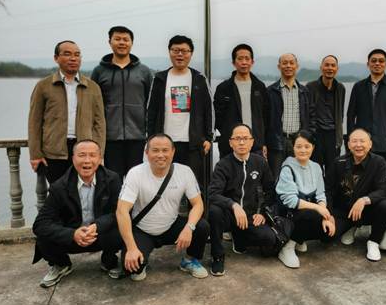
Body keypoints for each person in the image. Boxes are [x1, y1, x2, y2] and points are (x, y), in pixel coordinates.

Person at [113, 134, 210, 281]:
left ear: (173, 152)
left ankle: (190, 260)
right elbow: (122, 211)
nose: (160, 155)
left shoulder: (184, 172)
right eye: (155, 150)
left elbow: (198, 204)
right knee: (132, 269)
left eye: (165, 150)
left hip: (170, 225)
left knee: (201, 226)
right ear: (147, 152)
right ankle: (142, 259)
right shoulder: (136, 173)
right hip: (143, 229)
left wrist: (189, 228)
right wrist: (132, 248)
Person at [32, 140, 121, 288]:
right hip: (72, 237)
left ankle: (108, 260)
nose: (87, 160)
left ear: (100, 159)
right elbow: (40, 224)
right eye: (82, 155)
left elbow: (118, 211)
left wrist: (97, 226)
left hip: (100, 234)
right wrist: (72, 234)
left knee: (126, 227)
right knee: (43, 237)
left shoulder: (112, 179)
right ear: (73, 159)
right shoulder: (59, 186)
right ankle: (62, 264)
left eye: (92, 155)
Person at [28, 40, 105, 183]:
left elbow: (99, 123)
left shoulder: (93, 87)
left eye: (77, 55)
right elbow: (34, 122)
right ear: (56, 58)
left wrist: (99, 153)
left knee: (83, 191)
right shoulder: (43, 86)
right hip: (54, 152)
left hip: (84, 151)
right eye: (67, 54)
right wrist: (35, 154)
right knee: (57, 191)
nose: (73, 58)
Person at [208, 124, 277, 276]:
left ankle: (240, 237)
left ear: (252, 142)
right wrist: (233, 205)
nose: (241, 142)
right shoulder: (223, 165)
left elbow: (271, 190)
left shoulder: (260, 162)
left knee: (269, 239)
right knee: (214, 211)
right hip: (229, 214)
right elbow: (212, 194)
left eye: (245, 138)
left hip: (250, 215)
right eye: (237, 138)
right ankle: (217, 256)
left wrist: (262, 213)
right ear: (230, 142)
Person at [146, 35, 214, 187]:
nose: (180, 54)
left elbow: (209, 109)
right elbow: (151, 111)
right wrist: (150, 139)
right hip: (165, 143)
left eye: (184, 51)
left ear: (191, 53)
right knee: (164, 185)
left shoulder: (199, 78)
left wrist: (208, 138)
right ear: (169, 52)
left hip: (193, 143)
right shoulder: (159, 79)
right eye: (175, 50)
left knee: (194, 186)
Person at [91, 26, 153, 180]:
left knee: (136, 180)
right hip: (110, 137)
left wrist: (150, 133)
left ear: (131, 43)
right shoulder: (99, 71)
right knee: (113, 180)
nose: (122, 43)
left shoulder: (144, 71)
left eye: (126, 39)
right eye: (117, 39)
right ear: (110, 42)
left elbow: (151, 104)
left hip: (138, 137)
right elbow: (93, 105)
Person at [325, 128, 386, 261]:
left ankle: (373, 242)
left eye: (362, 141)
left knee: (385, 207)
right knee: (327, 235)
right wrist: (328, 214)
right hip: (344, 212)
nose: (358, 145)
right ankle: (351, 226)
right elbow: (328, 190)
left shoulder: (378, 162)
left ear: (370, 144)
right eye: (354, 141)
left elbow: (383, 189)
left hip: (366, 211)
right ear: (348, 145)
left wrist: (364, 200)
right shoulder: (338, 162)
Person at [276, 130, 335, 268]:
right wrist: (318, 209)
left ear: (313, 147)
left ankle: (299, 239)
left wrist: (325, 215)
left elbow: (320, 194)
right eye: (299, 146)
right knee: (311, 215)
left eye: (307, 146)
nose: (303, 150)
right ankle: (287, 246)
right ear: (293, 147)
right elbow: (291, 201)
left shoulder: (316, 167)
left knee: (328, 231)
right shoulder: (287, 167)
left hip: (307, 211)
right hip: (288, 213)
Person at [214, 44, 269, 158]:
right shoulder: (224, 88)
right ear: (233, 63)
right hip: (230, 146)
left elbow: (266, 115)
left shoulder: (260, 87)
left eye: (247, 59)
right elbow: (217, 117)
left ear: (252, 62)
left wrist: (264, 142)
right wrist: (228, 133)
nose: (244, 62)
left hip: (255, 145)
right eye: (240, 59)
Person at [347, 49, 386, 161]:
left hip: (384, 143)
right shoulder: (358, 87)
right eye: (374, 61)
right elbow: (351, 115)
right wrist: (351, 138)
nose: (377, 63)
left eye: (381, 61)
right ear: (368, 64)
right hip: (361, 144)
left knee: (382, 171)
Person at [267, 53, 316, 179]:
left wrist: (308, 138)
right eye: (284, 63)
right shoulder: (270, 91)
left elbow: (312, 117)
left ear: (297, 66)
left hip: (298, 141)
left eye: (291, 63)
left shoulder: (305, 91)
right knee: (276, 177)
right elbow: (264, 119)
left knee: (299, 177)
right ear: (279, 66)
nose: (288, 66)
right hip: (277, 141)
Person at [307, 55, 346, 173]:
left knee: (333, 170)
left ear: (337, 69)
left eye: (333, 65)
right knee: (315, 170)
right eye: (327, 65)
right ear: (321, 68)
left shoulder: (340, 88)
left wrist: (339, 138)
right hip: (316, 134)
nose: (330, 68)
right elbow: (307, 113)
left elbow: (340, 114)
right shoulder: (311, 87)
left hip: (333, 136)